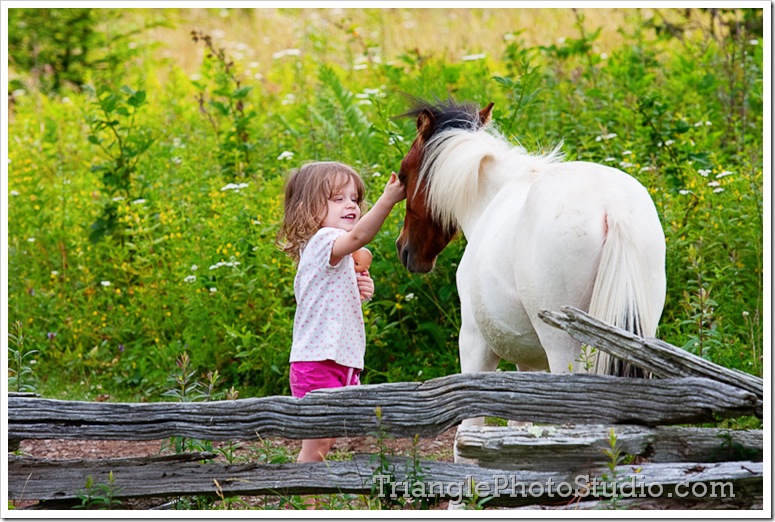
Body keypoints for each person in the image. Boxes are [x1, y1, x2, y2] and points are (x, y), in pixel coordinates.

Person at [276, 161, 405, 467]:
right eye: (338, 199)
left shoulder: (337, 252)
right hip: (318, 361)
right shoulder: (322, 240)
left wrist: (358, 286)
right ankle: (302, 507)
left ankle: (310, 500)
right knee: (318, 442)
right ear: (310, 209)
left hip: (340, 360)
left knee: (327, 440)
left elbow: (334, 298)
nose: (351, 205)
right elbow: (360, 238)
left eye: (354, 199)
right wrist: (387, 200)